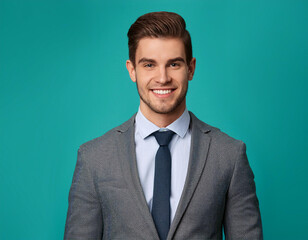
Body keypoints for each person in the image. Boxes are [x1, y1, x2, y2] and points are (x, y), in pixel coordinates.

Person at [64, 11, 263, 240]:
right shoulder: (94, 158)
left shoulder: (229, 154)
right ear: (132, 70)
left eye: (174, 64)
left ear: (191, 68)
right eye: (149, 64)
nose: (162, 77)